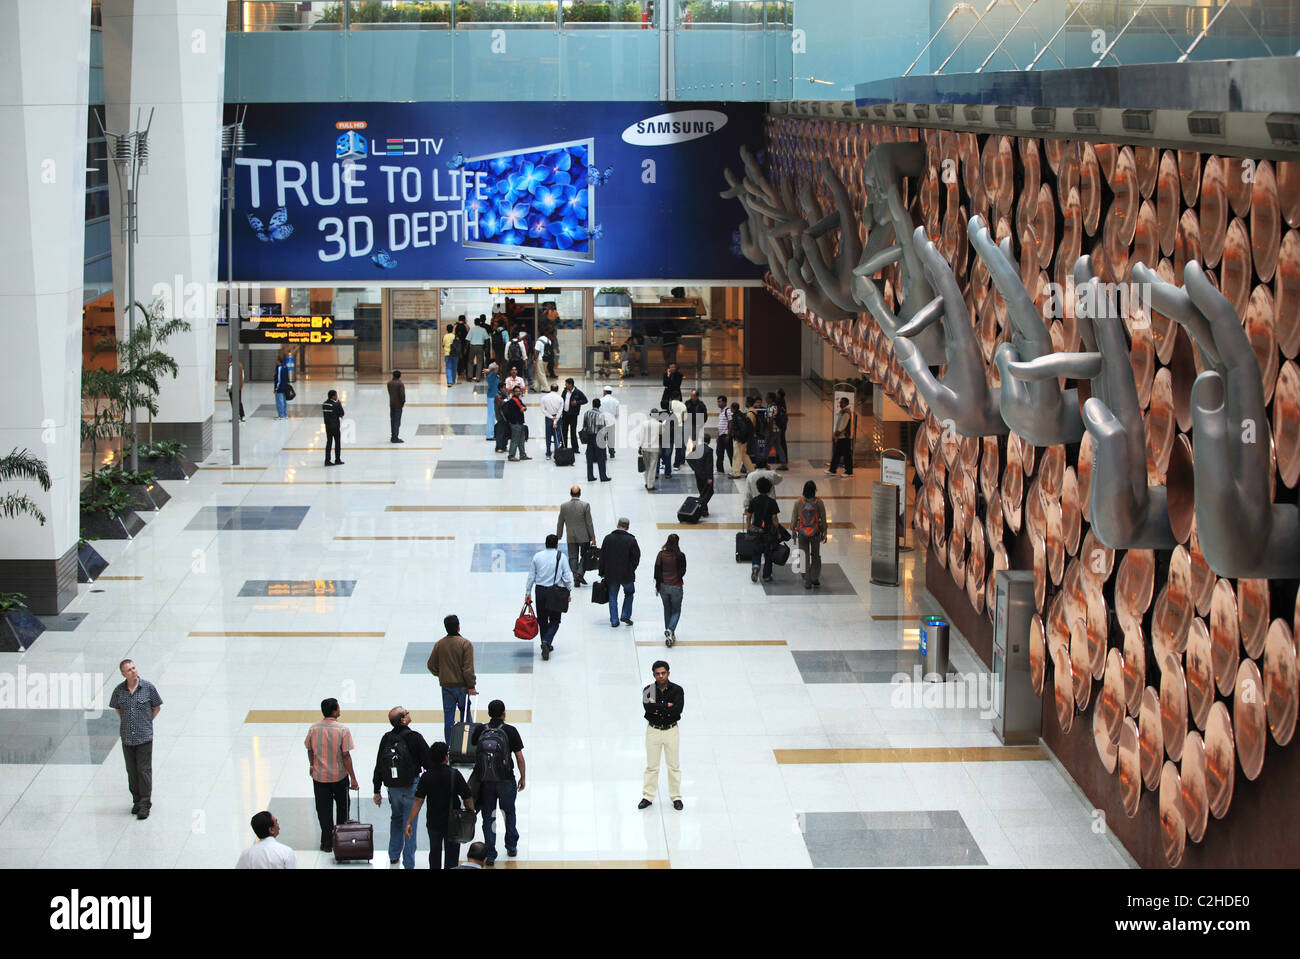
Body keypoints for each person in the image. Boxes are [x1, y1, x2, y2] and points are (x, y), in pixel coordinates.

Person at [371, 706, 433, 869]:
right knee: (409, 823)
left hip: (392, 788)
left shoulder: (386, 738)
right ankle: (409, 862)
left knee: (396, 818)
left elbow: (379, 765)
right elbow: (428, 763)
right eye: (407, 713)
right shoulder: (415, 738)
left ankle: (393, 854)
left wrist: (376, 790)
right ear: (403, 720)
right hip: (411, 786)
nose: (409, 714)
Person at [470, 699, 526, 865]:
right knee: (508, 812)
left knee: (489, 816)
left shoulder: (481, 729)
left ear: (488, 714)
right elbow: (519, 757)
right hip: (506, 780)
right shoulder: (510, 730)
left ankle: (490, 854)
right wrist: (523, 777)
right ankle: (511, 846)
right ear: (504, 713)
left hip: (485, 781)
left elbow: (474, 744)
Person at [406, 742, 474, 870]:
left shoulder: (426, 776)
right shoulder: (454, 774)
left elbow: (418, 801)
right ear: (445, 757)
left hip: (433, 822)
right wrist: (471, 813)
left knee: (435, 852)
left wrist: (409, 821)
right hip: (453, 822)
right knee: (452, 855)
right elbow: (467, 797)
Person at [109, 659, 162, 820]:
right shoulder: (119, 691)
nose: (133, 671)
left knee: (143, 771)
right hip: (127, 737)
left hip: (144, 737)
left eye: (134, 668)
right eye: (129, 670)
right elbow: (118, 709)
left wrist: (145, 722)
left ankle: (145, 804)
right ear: (123, 674)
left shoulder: (148, 688)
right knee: (131, 771)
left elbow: (157, 707)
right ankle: (137, 801)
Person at [304, 698, 360, 852]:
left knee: (323, 810)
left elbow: (309, 749)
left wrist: (312, 764)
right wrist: (353, 778)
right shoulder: (342, 730)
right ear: (335, 711)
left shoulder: (313, 728)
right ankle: (340, 840)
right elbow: (346, 756)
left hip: (319, 777)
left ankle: (326, 842)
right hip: (339, 777)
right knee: (343, 808)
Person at [426, 615, 478, 748]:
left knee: (448, 717)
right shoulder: (465, 644)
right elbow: (468, 668)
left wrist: (441, 675)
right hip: (462, 687)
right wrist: (471, 685)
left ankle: (450, 747)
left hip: (446, 687)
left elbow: (431, 665)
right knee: (465, 715)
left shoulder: (440, 644)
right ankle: (467, 744)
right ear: (458, 626)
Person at [638, 661, 684, 811]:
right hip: (653, 731)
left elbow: (678, 710)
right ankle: (648, 796)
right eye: (657, 673)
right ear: (653, 675)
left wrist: (658, 708)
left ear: (668, 673)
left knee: (674, 766)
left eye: (663, 673)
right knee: (651, 766)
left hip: (671, 731)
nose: (661, 676)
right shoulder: (647, 690)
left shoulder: (677, 690)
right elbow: (648, 708)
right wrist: (666, 706)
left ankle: (676, 797)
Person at [526, 534, 574, 660]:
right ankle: (546, 642)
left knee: (542, 619)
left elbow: (531, 576)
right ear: (556, 545)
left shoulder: (537, 556)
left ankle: (545, 643)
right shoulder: (561, 557)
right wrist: (569, 591)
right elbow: (568, 577)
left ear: (545, 543)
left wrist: (527, 592)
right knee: (555, 619)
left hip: (540, 591)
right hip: (555, 592)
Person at [598, 517, 640, 627]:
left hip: (611, 574)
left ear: (617, 525)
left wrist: (602, 571)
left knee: (612, 596)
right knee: (629, 593)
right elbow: (636, 557)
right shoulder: (631, 540)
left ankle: (614, 620)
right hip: (627, 574)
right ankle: (625, 615)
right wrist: (631, 568)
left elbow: (602, 556)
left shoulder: (608, 538)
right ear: (627, 527)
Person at [790, 480, 829, 589]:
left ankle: (807, 580)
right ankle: (814, 577)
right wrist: (825, 532)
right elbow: (823, 519)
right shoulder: (819, 502)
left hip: (802, 533)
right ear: (814, 490)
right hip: (815, 533)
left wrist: (793, 530)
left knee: (803, 555)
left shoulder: (799, 502)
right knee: (815, 555)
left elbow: (794, 519)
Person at [556, 485, 596, 586]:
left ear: (570, 494)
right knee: (585, 556)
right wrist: (593, 537)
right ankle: (579, 574)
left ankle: (576, 578)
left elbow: (560, 522)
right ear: (580, 493)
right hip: (584, 537)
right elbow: (589, 523)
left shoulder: (564, 506)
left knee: (573, 557)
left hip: (571, 536)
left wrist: (559, 535)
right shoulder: (585, 505)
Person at [653, 534, 686, 647]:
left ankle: (669, 634)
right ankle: (671, 629)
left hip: (663, 586)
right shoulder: (680, 556)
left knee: (667, 609)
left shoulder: (661, 555)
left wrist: (658, 585)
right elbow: (683, 571)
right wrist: (676, 578)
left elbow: (656, 571)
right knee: (676, 610)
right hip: (676, 586)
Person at [747, 476, 781, 584]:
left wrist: (749, 528)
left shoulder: (754, 501)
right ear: (769, 489)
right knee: (768, 555)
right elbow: (774, 518)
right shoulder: (772, 502)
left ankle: (756, 566)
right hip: (768, 533)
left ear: (757, 488)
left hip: (756, 531)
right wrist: (778, 531)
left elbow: (748, 516)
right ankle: (766, 575)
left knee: (756, 552)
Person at [582, 399, 611, 482]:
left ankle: (590, 476)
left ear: (592, 404)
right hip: (598, 438)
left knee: (590, 457)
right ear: (599, 405)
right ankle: (603, 476)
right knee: (601, 458)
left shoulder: (587, 413)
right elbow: (602, 429)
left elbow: (584, 426)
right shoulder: (600, 415)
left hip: (589, 437)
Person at [687, 434, 714, 516]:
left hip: (697, 474)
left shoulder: (696, 448)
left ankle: (704, 511)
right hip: (706, 475)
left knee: (702, 491)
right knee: (709, 492)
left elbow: (688, 458)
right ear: (709, 441)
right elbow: (709, 465)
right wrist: (710, 477)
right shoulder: (709, 450)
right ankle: (700, 507)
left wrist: (694, 468)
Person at [827, 396, 854, 476]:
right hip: (842, 437)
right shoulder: (843, 411)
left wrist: (836, 434)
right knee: (837, 454)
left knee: (846, 455)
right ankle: (832, 470)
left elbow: (842, 426)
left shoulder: (846, 413)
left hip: (845, 437)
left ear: (845, 403)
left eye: (841, 402)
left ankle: (848, 472)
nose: (840, 403)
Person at [638, 409, 663, 491]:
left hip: (645, 447)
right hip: (654, 448)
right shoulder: (659, 424)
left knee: (647, 466)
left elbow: (641, 436)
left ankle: (646, 482)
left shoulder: (644, 424)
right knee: (653, 467)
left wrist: (640, 446)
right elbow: (662, 433)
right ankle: (650, 485)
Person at [560, 378, 588, 450]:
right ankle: (563, 445)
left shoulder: (577, 392)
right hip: (565, 414)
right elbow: (561, 399)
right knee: (564, 431)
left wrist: (577, 403)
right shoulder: (565, 391)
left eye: (566, 384)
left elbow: (585, 400)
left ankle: (575, 448)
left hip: (573, 415)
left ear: (570, 384)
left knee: (573, 431)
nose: (565, 385)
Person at [729, 400, 755, 477]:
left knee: (736, 456)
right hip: (743, 439)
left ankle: (736, 473)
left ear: (733, 408)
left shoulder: (738, 416)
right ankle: (752, 471)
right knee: (744, 456)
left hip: (739, 439)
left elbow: (743, 429)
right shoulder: (741, 415)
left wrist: (738, 437)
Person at [503, 386, 530, 461]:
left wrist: (523, 408)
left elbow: (524, 407)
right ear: (513, 392)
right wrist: (523, 408)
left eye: (519, 391)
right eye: (517, 391)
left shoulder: (518, 400)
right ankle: (511, 456)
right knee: (515, 440)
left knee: (521, 440)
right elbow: (522, 408)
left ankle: (522, 455)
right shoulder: (514, 400)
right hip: (516, 423)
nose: (518, 392)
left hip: (519, 423)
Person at [539, 384, 564, 458]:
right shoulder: (560, 398)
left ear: (550, 389)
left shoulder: (544, 398)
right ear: (557, 389)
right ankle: (557, 454)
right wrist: (555, 420)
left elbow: (543, 410)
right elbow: (560, 411)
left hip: (548, 419)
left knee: (548, 436)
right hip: (558, 418)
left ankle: (548, 453)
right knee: (557, 437)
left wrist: (551, 417)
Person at [321, 389, 345, 467]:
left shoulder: (324, 404)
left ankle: (327, 460)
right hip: (335, 426)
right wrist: (340, 404)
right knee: (337, 443)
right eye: (336, 395)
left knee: (329, 442)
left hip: (328, 426)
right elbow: (342, 413)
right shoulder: (336, 405)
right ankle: (337, 459)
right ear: (333, 396)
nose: (337, 396)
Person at [684, 389, 708, 456]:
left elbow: (705, 415)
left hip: (696, 425)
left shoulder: (701, 404)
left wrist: (701, 424)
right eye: (691, 395)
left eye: (693, 396)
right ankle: (682, 457)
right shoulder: (687, 403)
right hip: (687, 424)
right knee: (685, 440)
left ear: (697, 396)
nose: (691, 397)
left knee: (694, 441)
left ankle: (694, 454)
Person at [656, 407, 677, 480]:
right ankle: (667, 474)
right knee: (668, 456)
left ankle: (656, 473)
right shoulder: (673, 416)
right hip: (669, 440)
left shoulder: (659, 415)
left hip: (660, 439)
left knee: (658, 456)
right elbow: (676, 429)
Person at [715, 394, 733, 476]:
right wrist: (718, 435)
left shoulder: (728, 411)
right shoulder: (722, 411)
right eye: (717, 402)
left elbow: (730, 422)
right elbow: (720, 424)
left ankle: (735, 469)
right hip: (721, 436)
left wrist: (728, 435)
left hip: (726, 435)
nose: (718, 403)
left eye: (720, 401)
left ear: (725, 402)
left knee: (730, 453)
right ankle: (720, 470)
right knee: (719, 453)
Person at [600, 386, 620, 459]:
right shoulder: (616, 401)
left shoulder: (601, 400)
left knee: (602, 438)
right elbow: (617, 414)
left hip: (603, 422)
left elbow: (599, 412)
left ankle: (603, 454)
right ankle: (612, 452)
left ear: (605, 392)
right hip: (611, 421)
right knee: (611, 438)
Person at [388, 370, 406, 443]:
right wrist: (403, 402)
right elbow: (402, 395)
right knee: (397, 422)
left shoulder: (389, 383)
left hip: (392, 404)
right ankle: (395, 437)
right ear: (399, 376)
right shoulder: (400, 384)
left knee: (392, 421)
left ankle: (393, 436)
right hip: (398, 405)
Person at [670, 397, 688, 469]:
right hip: (679, 427)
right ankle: (676, 465)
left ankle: (665, 462)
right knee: (678, 447)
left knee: (669, 445)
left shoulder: (669, 404)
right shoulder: (683, 405)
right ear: (679, 397)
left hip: (670, 427)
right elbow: (685, 418)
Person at [484, 363, 500, 439]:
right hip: (492, 397)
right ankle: (489, 434)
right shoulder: (491, 375)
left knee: (493, 415)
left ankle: (492, 433)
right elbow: (497, 367)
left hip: (494, 396)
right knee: (491, 415)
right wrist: (490, 369)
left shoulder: (493, 375)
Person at [273, 354, 291, 419]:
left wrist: (276, 388)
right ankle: (285, 414)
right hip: (284, 387)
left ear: (278, 361)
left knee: (279, 401)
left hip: (280, 388)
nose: (275, 361)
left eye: (276, 360)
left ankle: (281, 415)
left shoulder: (280, 368)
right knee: (283, 401)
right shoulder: (285, 367)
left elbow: (278, 379)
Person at [493, 385, 510, 453]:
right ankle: (498, 447)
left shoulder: (505, 395)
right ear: (500, 388)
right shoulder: (497, 396)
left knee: (506, 433)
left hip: (506, 418)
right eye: (504, 388)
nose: (505, 389)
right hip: (500, 417)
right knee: (500, 433)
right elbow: (501, 404)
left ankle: (504, 446)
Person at [454, 314, 470, 379]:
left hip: (457, 344)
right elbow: (469, 334)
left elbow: (453, 334)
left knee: (458, 358)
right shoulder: (466, 325)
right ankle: (465, 371)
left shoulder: (455, 325)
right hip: (464, 344)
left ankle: (459, 371)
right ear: (464, 319)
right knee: (466, 358)